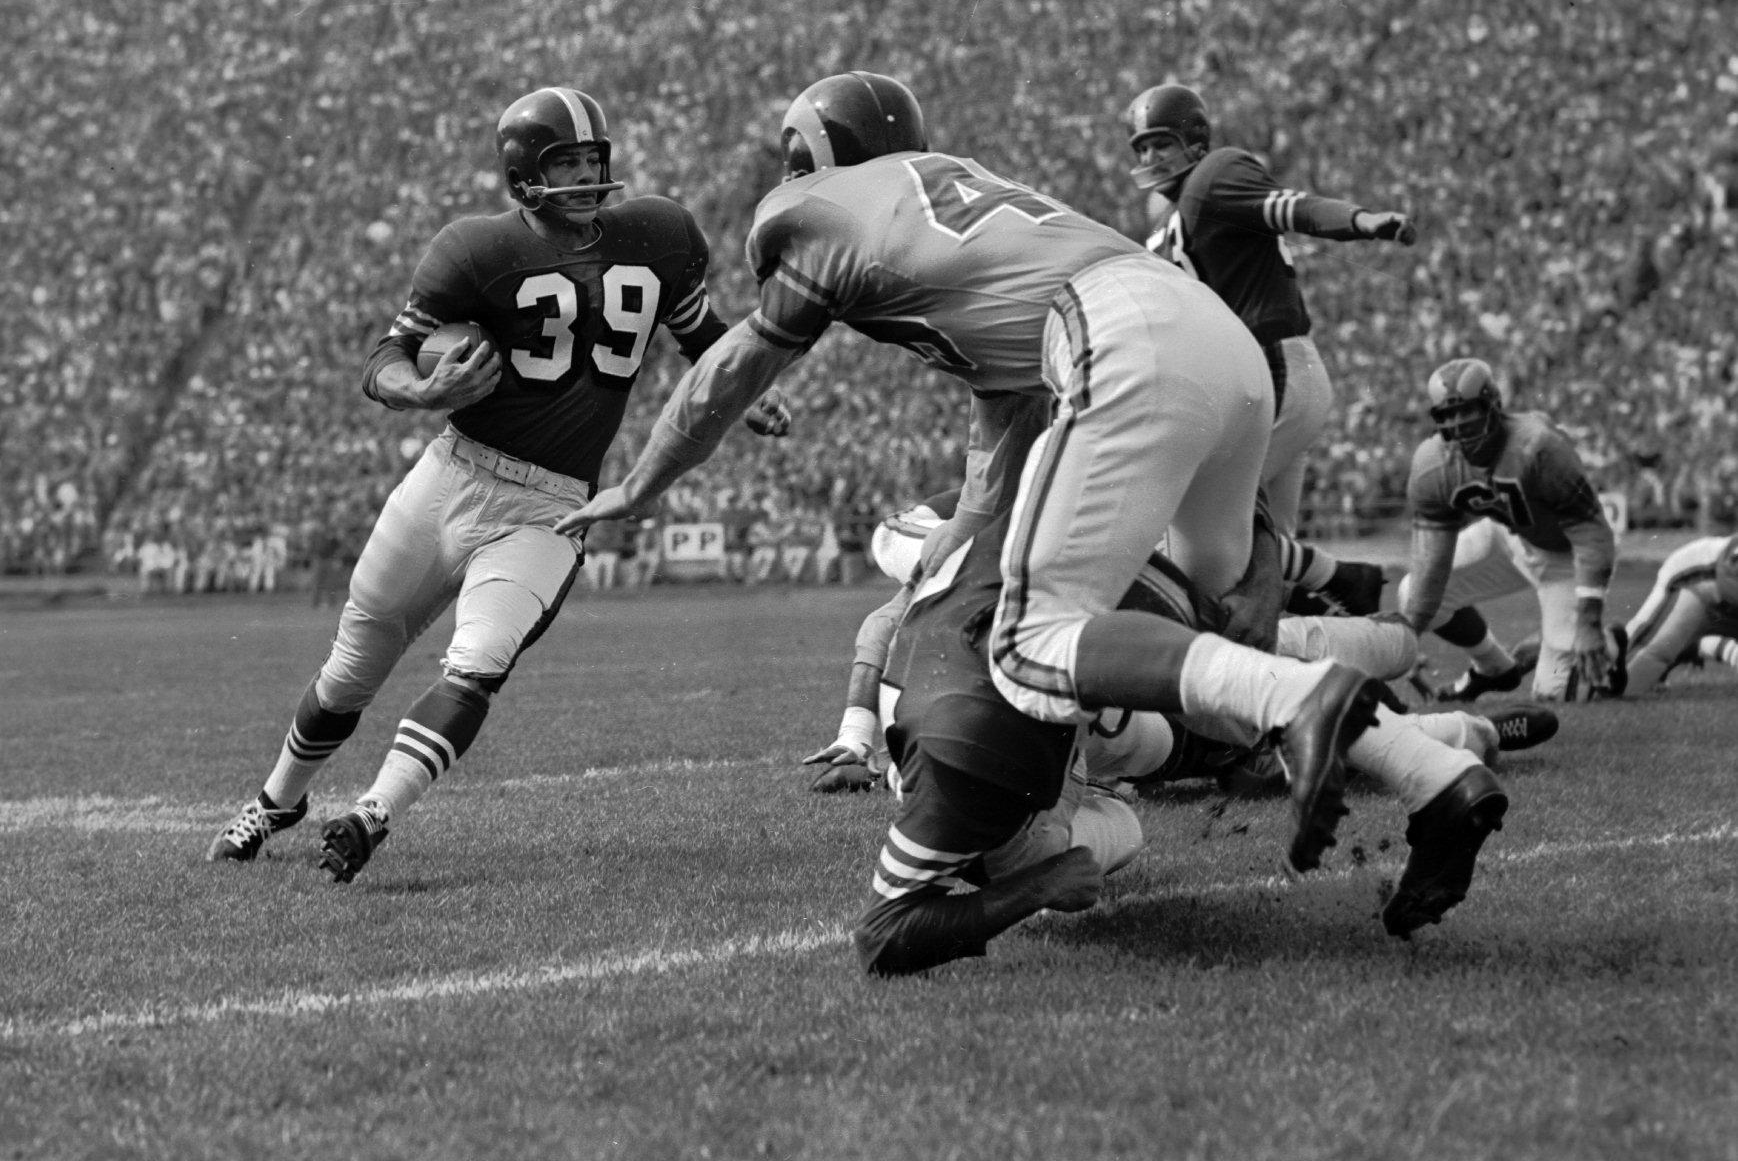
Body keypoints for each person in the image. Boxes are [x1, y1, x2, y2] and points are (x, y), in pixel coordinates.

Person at [561, 69, 1415, 877]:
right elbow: (1005, 397)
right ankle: (1420, 718)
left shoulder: (819, 207)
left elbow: (734, 367)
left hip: (1118, 341)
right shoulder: (979, 198)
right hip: (1209, 335)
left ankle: (1183, 748)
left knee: (1035, 634)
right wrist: (971, 523)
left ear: (809, 155)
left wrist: (642, 483)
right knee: (1216, 617)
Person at [208, 86, 789, 880]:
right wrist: (420, 390)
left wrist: (741, 387)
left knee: (476, 662)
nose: (588, 177)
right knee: (353, 666)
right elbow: (385, 357)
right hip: (451, 475)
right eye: (568, 163)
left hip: (552, 505)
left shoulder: (659, 235)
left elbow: (699, 333)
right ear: (523, 178)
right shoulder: (475, 250)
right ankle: (279, 799)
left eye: (595, 160)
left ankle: (373, 814)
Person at [834, 500, 1511, 975]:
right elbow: (882, 937)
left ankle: (1414, 702)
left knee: (1231, 682)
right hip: (1026, 719)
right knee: (1215, 706)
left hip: (1039, 662)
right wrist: (1032, 892)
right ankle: (1421, 717)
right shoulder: (972, 770)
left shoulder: (984, 539)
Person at [1126, 83, 1416, 615]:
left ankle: (1347, 582)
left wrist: (1359, 221)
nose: (1150, 158)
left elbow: (1292, 207)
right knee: (1263, 568)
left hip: (1273, 369)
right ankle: (1363, 634)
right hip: (1258, 378)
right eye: (1141, 148)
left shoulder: (1214, 177)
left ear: (1194, 143)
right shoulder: (1168, 216)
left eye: (1161, 144)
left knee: (1202, 537)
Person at [1397, 358, 1620, 703]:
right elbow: (1432, 563)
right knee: (1412, 591)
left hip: (1564, 555)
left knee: (1556, 692)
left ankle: (1612, 642)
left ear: (1493, 405)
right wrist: (1405, 641)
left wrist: (1589, 621)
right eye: (1448, 415)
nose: (1458, 425)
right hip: (1509, 537)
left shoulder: (1538, 447)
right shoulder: (1433, 463)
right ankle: (1493, 668)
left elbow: (1591, 529)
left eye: (1467, 411)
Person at [1607, 532, 1738, 697]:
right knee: (1628, 680)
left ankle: (1696, 644)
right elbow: (1730, 564)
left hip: (1726, 588)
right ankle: (1604, 654)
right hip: (1698, 578)